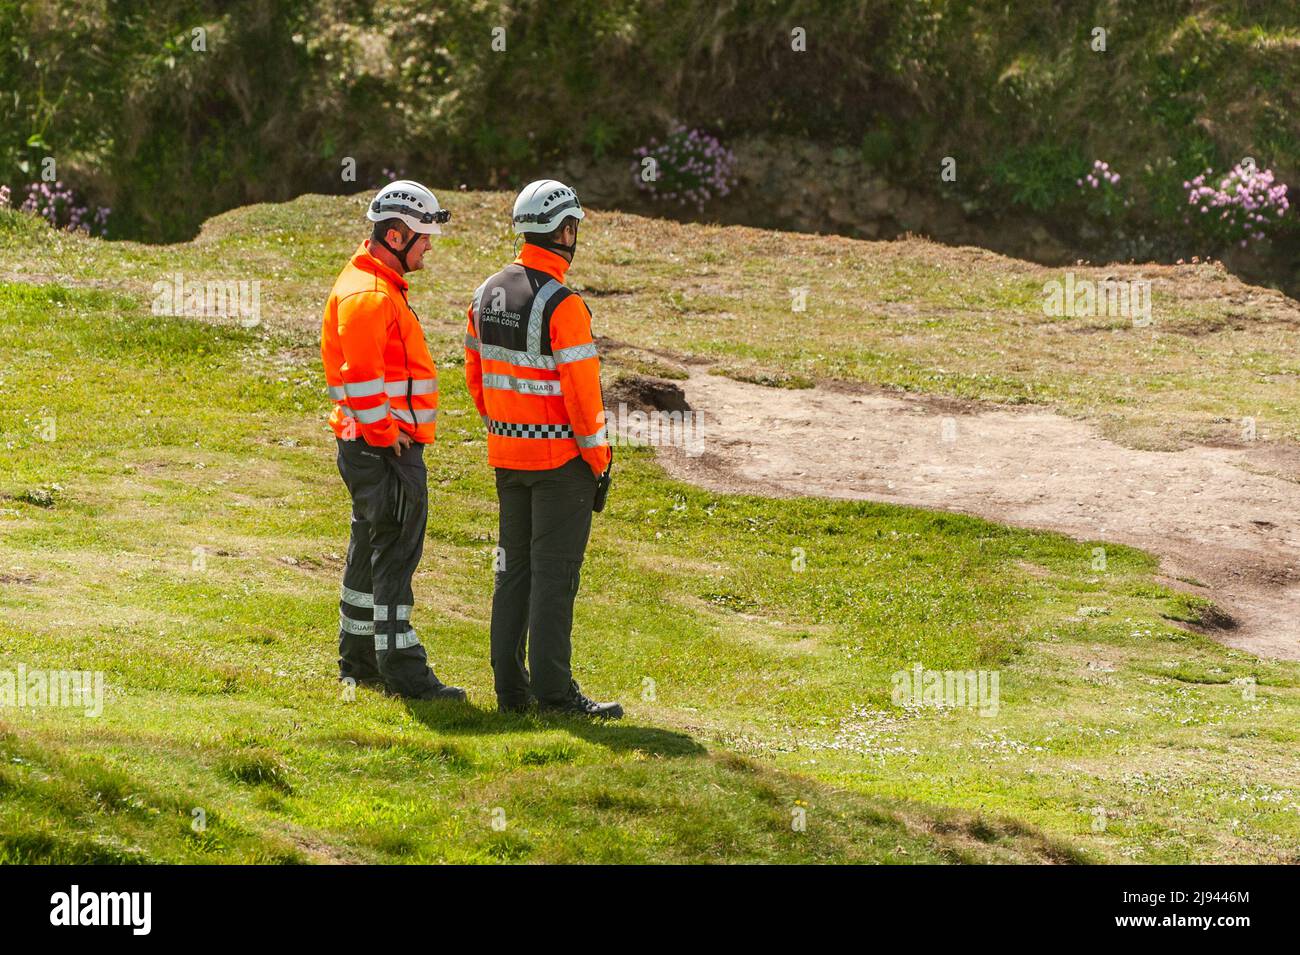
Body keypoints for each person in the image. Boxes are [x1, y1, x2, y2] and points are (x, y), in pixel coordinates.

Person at [464, 179, 621, 718]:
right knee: (554, 581)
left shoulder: (486, 293)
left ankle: (510, 691)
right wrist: (598, 461)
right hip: (561, 467)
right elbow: (583, 398)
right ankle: (555, 695)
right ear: (565, 231)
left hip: (507, 457)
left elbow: (475, 375)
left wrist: (504, 425)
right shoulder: (564, 304)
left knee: (513, 573)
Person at [320, 180, 465, 701]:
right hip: (384, 450)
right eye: (424, 236)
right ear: (398, 235)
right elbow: (359, 378)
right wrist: (388, 436)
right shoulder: (369, 295)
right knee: (395, 555)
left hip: (373, 445)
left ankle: (359, 662)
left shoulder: (376, 286)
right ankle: (405, 673)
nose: (429, 245)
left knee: (371, 547)